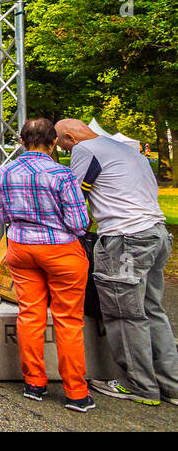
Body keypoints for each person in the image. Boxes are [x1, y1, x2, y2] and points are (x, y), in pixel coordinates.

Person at [56, 118, 178, 406]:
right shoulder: (125, 149)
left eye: (61, 144)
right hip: (156, 233)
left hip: (125, 240)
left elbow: (73, 197)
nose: (62, 148)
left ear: (71, 138)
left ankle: (139, 385)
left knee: (124, 313)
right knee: (152, 309)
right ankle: (171, 384)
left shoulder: (85, 150)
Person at [0, 118, 94, 411]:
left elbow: (0, 215)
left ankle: (34, 383)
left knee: (29, 315)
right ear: (52, 143)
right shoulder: (62, 174)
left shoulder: (4, 171)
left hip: (21, 248)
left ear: (23, 142)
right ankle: (76, 392)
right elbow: (79, 222)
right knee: (68, 320)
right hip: (61, 250)